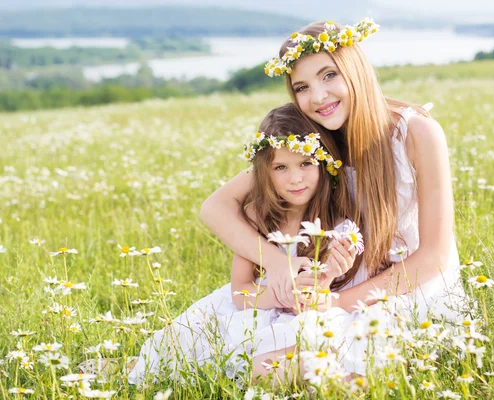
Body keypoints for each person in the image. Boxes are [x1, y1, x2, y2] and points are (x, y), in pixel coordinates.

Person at [200, 19, 467, 323]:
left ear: (354, 70)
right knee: (226, 341)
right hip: (336, 283)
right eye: (302, 87)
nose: (317, 97)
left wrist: (335, 303)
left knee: (287, 364)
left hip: (407, 288)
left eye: (329, 75)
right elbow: (215, 207)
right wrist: (277, 264)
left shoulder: (417, 133)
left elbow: (435, 257)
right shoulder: (314, 139)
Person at [127, 103, 368, 384]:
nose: (296, 178)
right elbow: (240, 291)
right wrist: (276, 296)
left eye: (305, 163)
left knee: (294, 359)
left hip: (303, 318)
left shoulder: (338, 224)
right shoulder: (258, 216)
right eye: (281, 167)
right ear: (264, 171)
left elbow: (317, 301)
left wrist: (325, 279)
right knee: (185, 354)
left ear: (323, 164)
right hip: (254, 309)